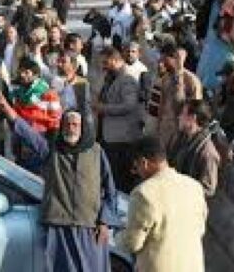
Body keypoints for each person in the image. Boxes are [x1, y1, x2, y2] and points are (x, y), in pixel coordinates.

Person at [0, 90, 117, 272]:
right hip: (59, 228)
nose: (71, 128)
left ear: (83, 128)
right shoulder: (52, 150)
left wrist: (105, 222)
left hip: (89, 228)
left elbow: (110, 189)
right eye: (67, 124)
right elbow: (28, 134)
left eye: (75, 124)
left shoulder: (96, 152)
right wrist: (6, 109)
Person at [117, 136, 208, 272]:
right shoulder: (194, 187)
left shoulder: (143, 193)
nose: (137, 173)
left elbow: (132, 243)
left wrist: (117, 236)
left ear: (144, 162)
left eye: (136, 168)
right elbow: (200, 229)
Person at [95, 47, 142, 192]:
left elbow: (129, 105)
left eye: (106, 62)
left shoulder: (127, 80)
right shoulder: (111, 78)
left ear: (116, 61)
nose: (103, 66)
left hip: (121, 141)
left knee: (120, 181)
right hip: (110, 138)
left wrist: (103, 108)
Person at [167, 99, 221, 196]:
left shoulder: (208, 153)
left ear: (193, 118)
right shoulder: (180, 138)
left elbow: (208, 190)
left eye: (183, 113)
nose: (179, 117)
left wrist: (183, 189)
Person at [156, 43, 203, 152]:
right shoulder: (165, 79)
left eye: (165, 60)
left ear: (175, 59)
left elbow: (196, 110)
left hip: (182, 134)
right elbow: (161, 106)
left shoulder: (192, 81)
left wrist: (179, 74)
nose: (161, 64)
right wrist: (158, 129)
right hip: (165, 132)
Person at [10, 57, 62, 134]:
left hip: (41, 133)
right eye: (21, 72)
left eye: (26, 72)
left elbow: (55, 117)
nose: (22, 75)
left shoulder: (47, 92)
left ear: (36, 75)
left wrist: (52, 135)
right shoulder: (19, 90)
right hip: (22, 131)